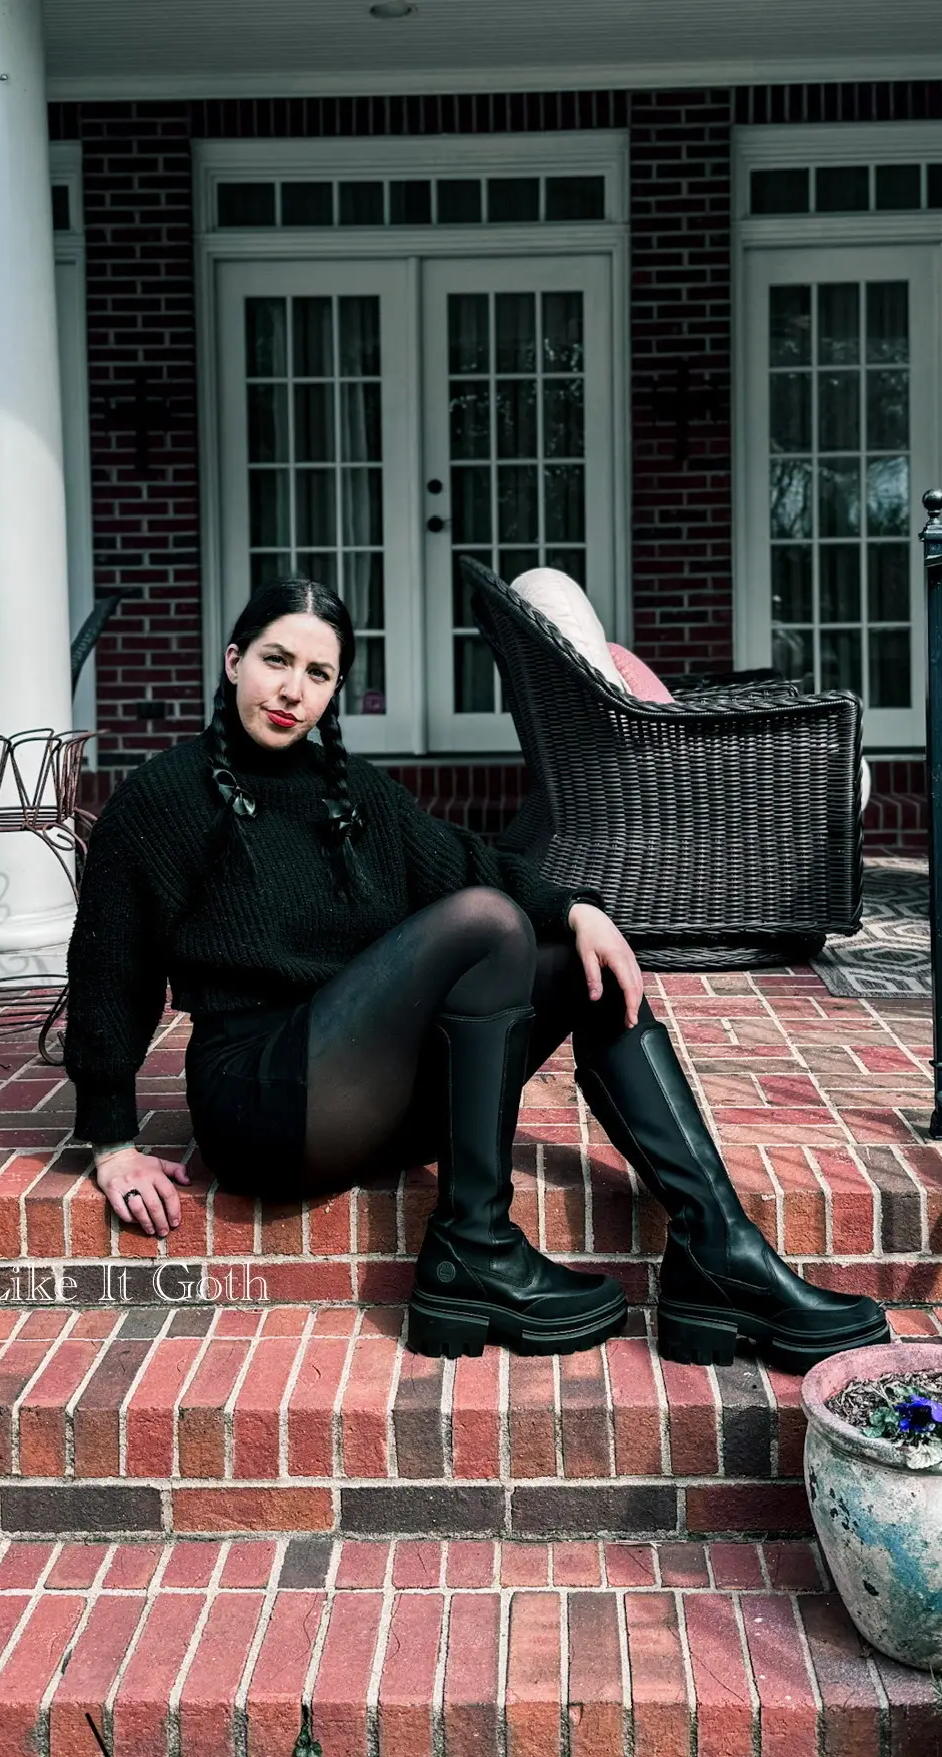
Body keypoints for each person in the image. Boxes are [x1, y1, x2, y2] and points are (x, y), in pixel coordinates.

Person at [63, 577, 888, 1368]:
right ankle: (475, 1246)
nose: (292, 690)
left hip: (370, 1097)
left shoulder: (350, 795)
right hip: (264, 1108)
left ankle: (719, 1251)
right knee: (489, 925)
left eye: (318, 673)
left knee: (577, 962)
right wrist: (110, 1139)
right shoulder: (163, 796)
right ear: (234, 660)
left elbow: (470, 860)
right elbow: (110, 965)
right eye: (277, 660)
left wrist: (577, 908)